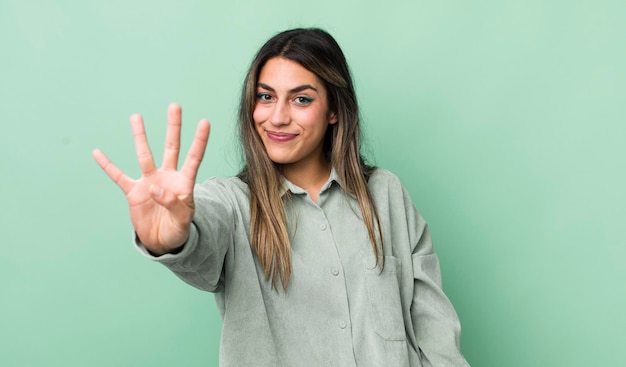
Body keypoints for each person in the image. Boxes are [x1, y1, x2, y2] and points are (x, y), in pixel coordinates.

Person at [93, 28, 470, 367]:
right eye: (265, 96)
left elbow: (433, 328)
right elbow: (204, 231)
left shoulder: (386, 194)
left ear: (334, 110)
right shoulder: (231, 202)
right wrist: (174, 239)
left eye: (301, 99)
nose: (277, 117)